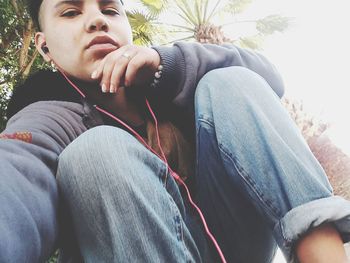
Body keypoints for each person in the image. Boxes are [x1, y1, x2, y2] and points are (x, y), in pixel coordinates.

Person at [1, 0, 349, 262]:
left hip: (238, 242)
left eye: (110, 9)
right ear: (44, 46)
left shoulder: (172, 82)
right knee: (96, 151)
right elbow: (17, 174)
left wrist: (167, 67)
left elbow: (270, 78)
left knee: (230, 81)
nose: (96, 20)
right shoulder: (47, 115)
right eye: (70, 12)